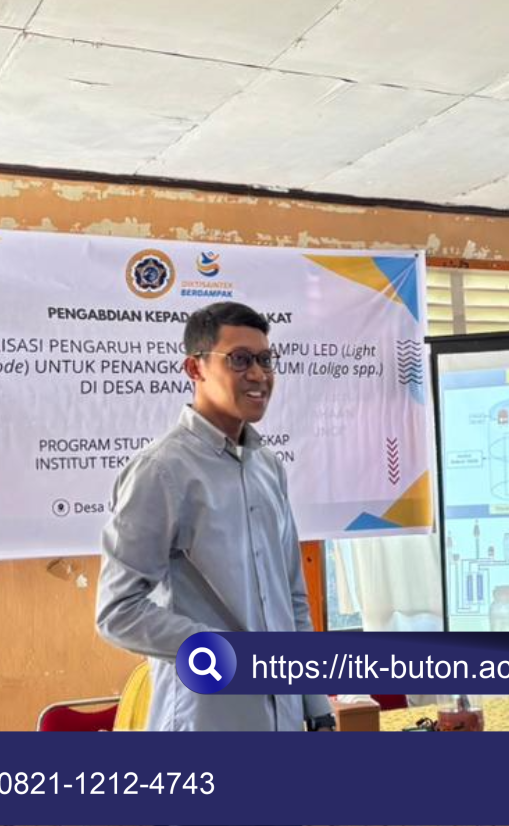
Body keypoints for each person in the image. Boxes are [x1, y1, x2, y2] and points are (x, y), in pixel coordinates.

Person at [96, 301, 334, 731]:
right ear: (195, 368)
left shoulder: (268, 466)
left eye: (265, 360)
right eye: (240, 360)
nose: (259, 375)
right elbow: (117, 612)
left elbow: (292, 598)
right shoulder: (161, 471)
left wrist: (315, 707)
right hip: (206, 719)